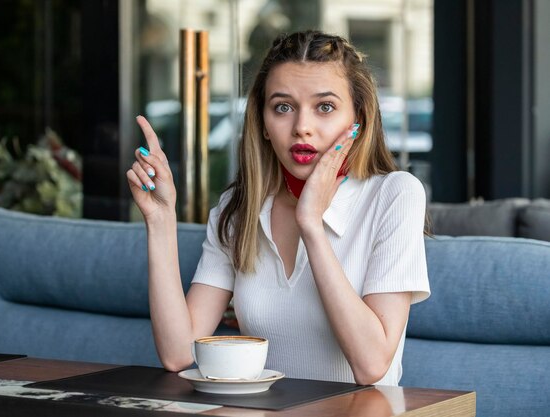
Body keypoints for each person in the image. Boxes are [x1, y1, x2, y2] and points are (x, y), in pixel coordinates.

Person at [126, 30, 430, 386]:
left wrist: (311, 224)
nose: (302, 127)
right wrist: (160, 219)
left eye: (325, 107)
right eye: (283, 107)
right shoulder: (239, 209)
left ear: (357, 120)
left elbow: (372, 364)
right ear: (264, 124)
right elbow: (179, 354)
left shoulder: (394, 195)